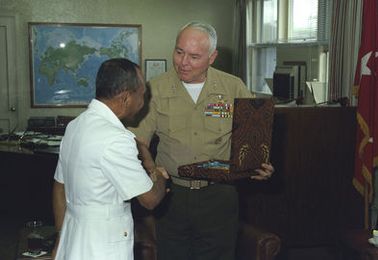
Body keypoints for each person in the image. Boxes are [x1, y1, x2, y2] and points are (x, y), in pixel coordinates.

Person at [129, 21, 274, 260]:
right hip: (171, 195)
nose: (183, 62)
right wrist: (151, 171)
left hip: (219, 195)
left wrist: (261, 165)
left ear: (212, 57)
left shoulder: (233, 87)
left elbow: (253, 142)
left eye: (194, 56)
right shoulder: (155, 89)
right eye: (179, 52)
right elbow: (138, 142)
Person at [52, 58, 169, 260]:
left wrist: (61, 239)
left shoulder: (75, 126)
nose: (144, 101)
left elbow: (59, 189)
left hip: (74, 240)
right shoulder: (116, 138)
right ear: (125, 98)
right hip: (102, 247)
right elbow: (149, 200)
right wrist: (158, 174)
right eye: (142, 95)